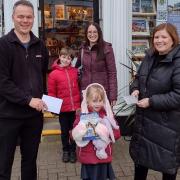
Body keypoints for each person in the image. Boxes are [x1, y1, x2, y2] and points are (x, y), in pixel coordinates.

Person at [0, 1, 49, 180]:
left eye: (28, 17)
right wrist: (29, 100)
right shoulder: (3, 45)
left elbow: (42, 76)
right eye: (20, 16)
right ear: (13, 17)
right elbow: (3, 83)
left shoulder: (40, 46)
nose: (25, 20)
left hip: (33, 117)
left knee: (30, 162)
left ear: (33, 19)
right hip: (8, 116)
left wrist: (45, 99)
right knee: (3, 164)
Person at [130, 23, 180, 180]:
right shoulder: (150, 56)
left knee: (167, 169)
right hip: (144, 124)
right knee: (140, 164)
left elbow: (178, 95)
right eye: (156, 37)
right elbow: (138, 78)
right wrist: (135, 89)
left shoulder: (178, 62)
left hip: (167, 128)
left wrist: (151, 101)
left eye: (164, 37)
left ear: (173, 39)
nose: (159, 40)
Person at [72, 83, 120, 180]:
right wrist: (82, 132)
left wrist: (105, 133)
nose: (97, 103)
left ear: (104, 100)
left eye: (100, 100)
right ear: (87, 101)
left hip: (103, 158)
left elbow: (117, 133)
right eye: (94, 101)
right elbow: (74, 135)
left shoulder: (107, 116)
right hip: (89, 158)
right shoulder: (82, 116)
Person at [48, 47, 80, 163]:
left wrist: (80, 105)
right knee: (64, 131)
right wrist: (53, 109)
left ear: (71, 60)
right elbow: (51, 92)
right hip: (63, 109)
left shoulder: (75, 72)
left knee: (74, 131)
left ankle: (73, 151)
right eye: (64, 57)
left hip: (75, 109)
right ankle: (65, 150)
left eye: (69, 58)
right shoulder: (53, 74)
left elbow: (79, 88)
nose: (66, 60)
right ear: (59, 57)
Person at [76, 22, 117, 106]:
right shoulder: (83, 49)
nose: (92, 34)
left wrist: (113, 95)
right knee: (88, 119)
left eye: (95, 32)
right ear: (86, 34)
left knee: (102, 118)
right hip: (86, 92)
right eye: (89, 32)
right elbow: (77, 68)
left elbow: (112, 73)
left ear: (99, 33)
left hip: (101, 93)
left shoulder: (107, 49)